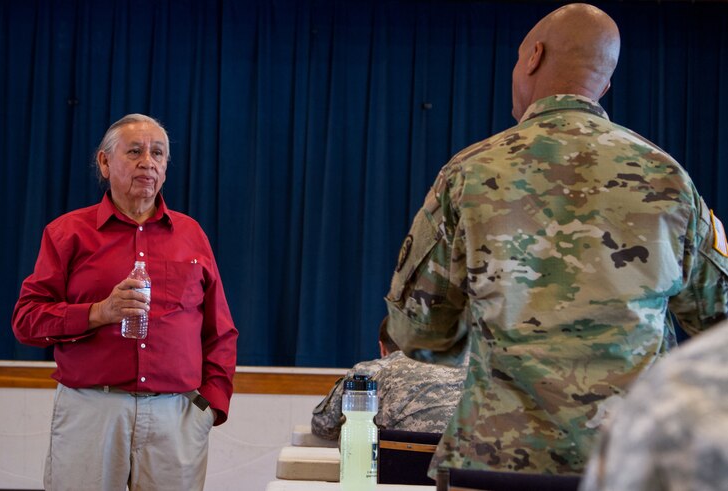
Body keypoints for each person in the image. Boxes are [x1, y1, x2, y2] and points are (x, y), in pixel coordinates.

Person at [385, 3, 728, 477]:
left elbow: (417, 332)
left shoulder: (469, 173)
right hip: (631, 464)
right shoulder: (669, 179)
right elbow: (720, 321)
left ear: (533, 57)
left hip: (496, 466)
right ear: (604, 85)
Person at [13, 114, 238, 491]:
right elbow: (27, 320)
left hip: (177, 414)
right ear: (104, 162)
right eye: (134, 151)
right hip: (93, 409)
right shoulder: (68, 233)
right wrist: (98, 312)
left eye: (158, 153)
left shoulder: (192, 235)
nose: (147, 161)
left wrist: (210, 407)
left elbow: (220, 330)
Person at [580, 319, 728, 490]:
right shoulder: (681, 387)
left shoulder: (669, 392)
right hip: (638, 429)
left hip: (557, 451)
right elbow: (706, 313)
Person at [311, 316, 467, 440]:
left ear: (382, 347)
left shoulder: (367, 372)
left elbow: (323, 426)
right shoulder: (464, 366)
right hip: (471, 469)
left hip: (403, 468)